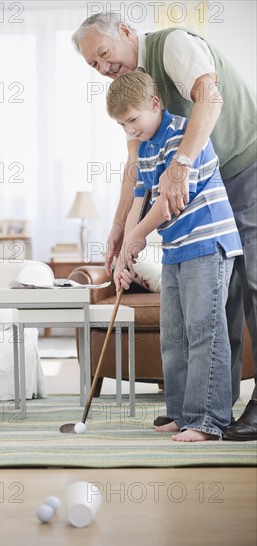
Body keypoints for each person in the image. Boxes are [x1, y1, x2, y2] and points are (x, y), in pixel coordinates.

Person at [72, 13, 257, 440]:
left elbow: (210, 97)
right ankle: (205, 411)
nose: (102, 68)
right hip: (192, 212)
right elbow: (136, 169)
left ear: (124, 32)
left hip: (245, 164)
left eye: (103, 54)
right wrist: (120, 231)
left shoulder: (171, 45)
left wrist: (181, 166)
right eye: (92, 65)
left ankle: (212, 417)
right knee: (217, 308)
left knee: (252, 288)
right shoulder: (136, 99)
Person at [106, 71, 243, 441]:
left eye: (133, 120)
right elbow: (140, 200)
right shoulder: (147, 147)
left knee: (204, 333)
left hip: (207, 243)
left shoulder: (183, 136)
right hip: (176, 250)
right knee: (174, 336)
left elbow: (168, 204)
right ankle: (182, 413)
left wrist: (137, 236)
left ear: (154, 104)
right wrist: (124, 257)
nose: (130, 130)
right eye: (122, 126)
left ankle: (208, 421)